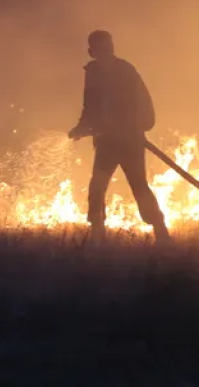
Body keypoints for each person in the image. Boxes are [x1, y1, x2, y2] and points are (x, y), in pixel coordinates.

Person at [68, 30, 172, 243]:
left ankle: (160, 231)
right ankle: (98, 233)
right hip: (107, 142)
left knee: (138, 185)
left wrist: (139, 127)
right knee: (97, 187)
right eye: (102, 48)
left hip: (129, 141)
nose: (107, 51)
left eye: (109, 47)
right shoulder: (93, 72)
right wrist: (82, 127)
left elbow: (142, 100)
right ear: (92, 51)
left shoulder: (125, 70)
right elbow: (90, 105)